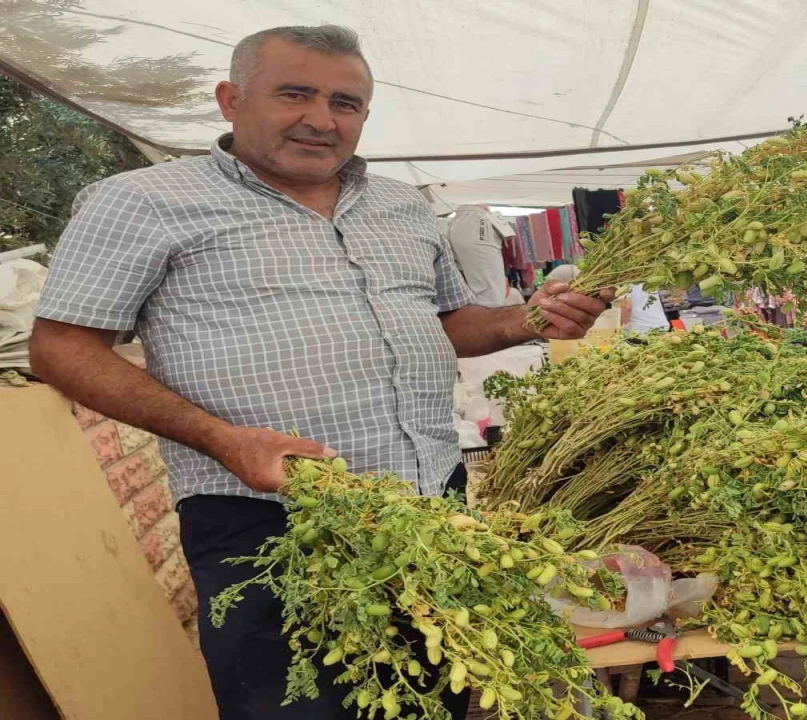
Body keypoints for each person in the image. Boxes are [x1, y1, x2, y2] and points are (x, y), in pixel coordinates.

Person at [27, 26, 612, 720]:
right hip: (266, 520)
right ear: (230, 99)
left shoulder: (402, 205)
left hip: (429, 503)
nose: (321, 118)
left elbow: (450, 321)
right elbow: (61, 347)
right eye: (294, 94)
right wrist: (224, 440)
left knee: (434, 694)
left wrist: (529, 320)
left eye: (346, 103)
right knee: (298, 706)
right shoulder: (144, 201)